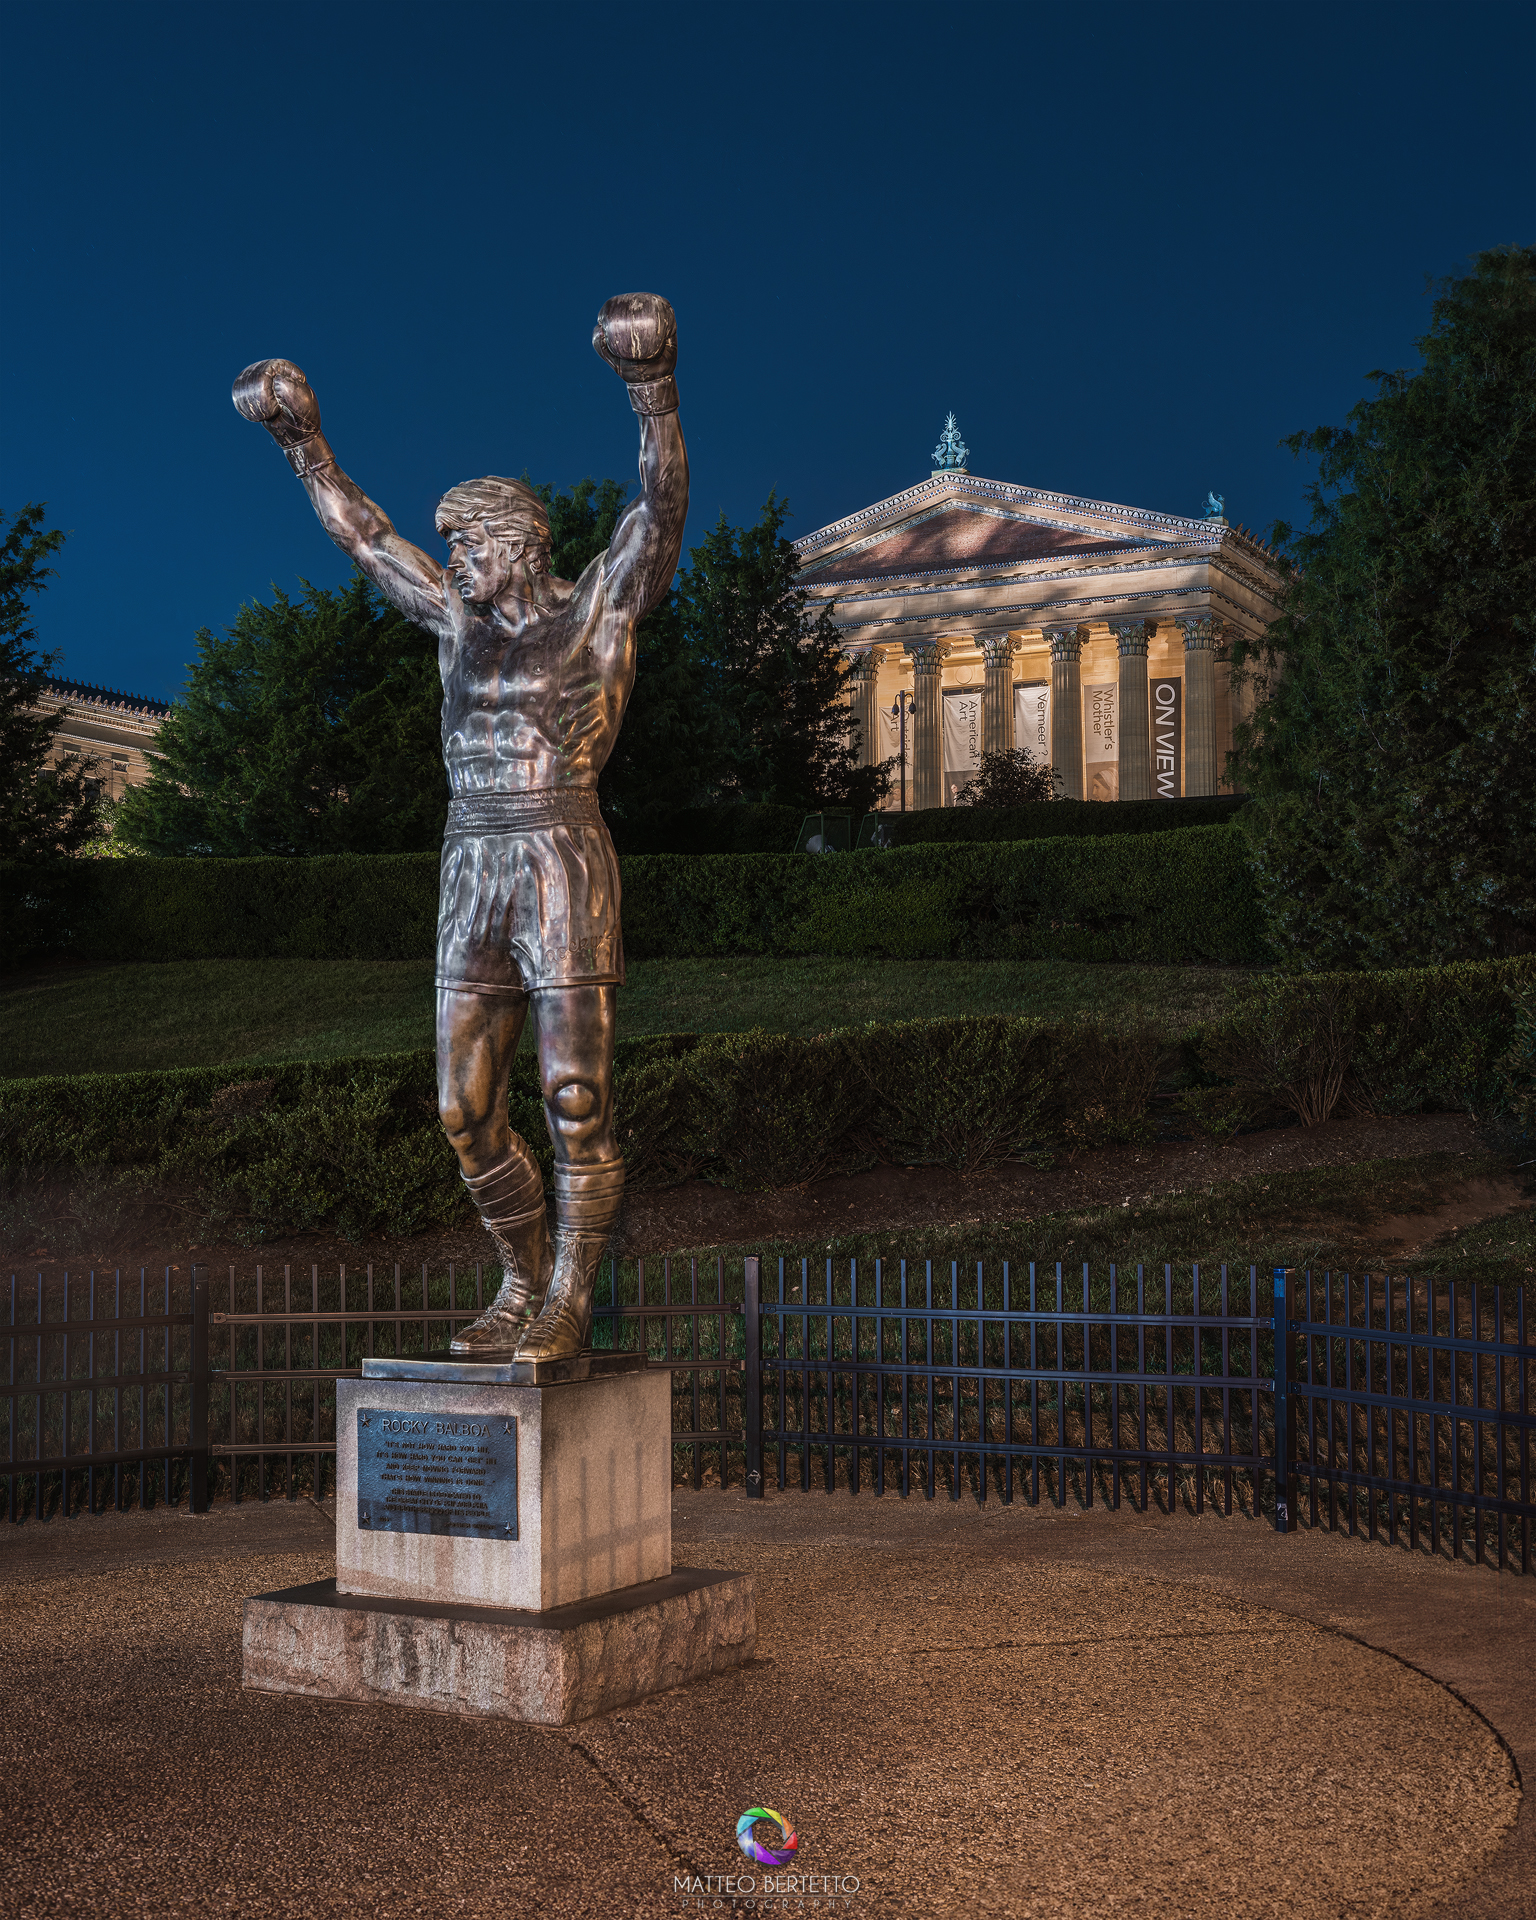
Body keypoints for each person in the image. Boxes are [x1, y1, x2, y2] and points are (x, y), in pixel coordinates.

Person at [232, 294, 687, 1360]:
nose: (455, 558)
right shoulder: (453, 621)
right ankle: (521, 1280)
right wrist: (302, 441)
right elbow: (364, 536)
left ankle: (570, 1294)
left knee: (574, 1092)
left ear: (518, 543)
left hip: (559, 848)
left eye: (468, 542)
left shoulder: (598, 611)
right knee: (461, 1109)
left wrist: (652, 387)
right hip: (470, 857)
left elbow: (659, 509)